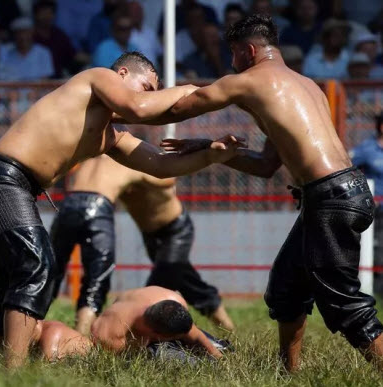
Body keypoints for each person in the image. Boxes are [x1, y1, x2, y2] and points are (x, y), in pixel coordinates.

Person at [0, 51, 246, 368]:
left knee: (13, 278)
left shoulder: (107, 136)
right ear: (123, 74)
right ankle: (12, 373)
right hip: (1, 178)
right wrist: (196, 91)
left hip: (15, 188)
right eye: (147, 87)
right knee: (35, 266)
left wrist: (212, 155)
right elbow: (139, 108)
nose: (149, 98)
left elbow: (163, 165)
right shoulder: (98, 77)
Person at [158, 14, 383, 372]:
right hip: (338, 194)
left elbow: (182, 105)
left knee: (345, 305)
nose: (232, 64)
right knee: (286, 290)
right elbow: (266, 165)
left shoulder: (249, 81)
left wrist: (123, 103)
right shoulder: (307, 86)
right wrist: (213, 150)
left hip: (330, 198)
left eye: (233, 54)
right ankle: (287, 373)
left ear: (248, 51)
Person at [50, 154, 235, 335]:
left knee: (161, 279)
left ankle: (138, 331)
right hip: (150, 234)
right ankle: (226, 327)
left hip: (176, 230)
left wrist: (142, 173)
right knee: (184, 278)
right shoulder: (105, 166)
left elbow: (168, 179)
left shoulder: (138, 163)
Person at [36, 286, 227, 361]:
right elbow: (118, 361)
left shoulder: (171, 302)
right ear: (156, 334)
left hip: (157, 328)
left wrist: (219, 359)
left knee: (216, 351)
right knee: (173, 359)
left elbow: (193, 333)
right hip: (135, 342)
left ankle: (221, 351)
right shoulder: (110, 336)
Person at [350, 114, 383, 295]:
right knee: (378, 253)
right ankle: (376, 296)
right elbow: (346, 171)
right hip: (377, 213)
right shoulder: (366, 150)